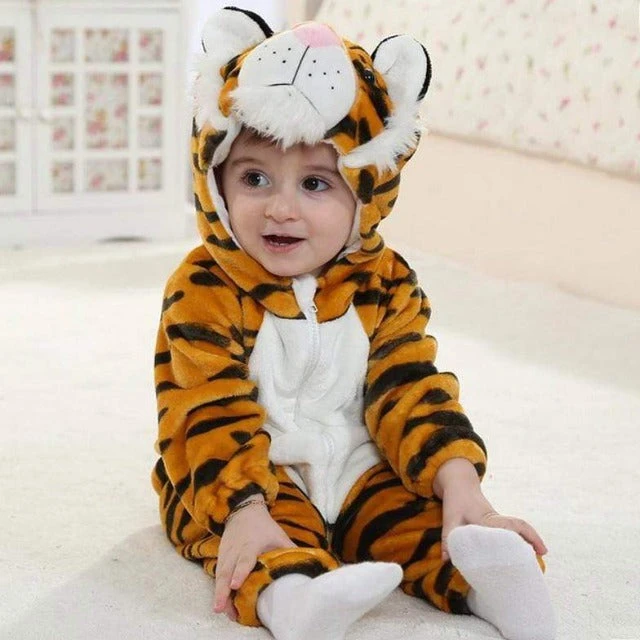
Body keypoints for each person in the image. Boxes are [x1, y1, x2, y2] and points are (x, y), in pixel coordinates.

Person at [151, 7, 556, 640]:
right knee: (258, 541)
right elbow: (203, 406)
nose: (281, 208)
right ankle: (295, 598)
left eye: (316, 184)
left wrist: (458, 480)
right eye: (254, 178)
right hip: (248, 473)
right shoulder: (204, 285)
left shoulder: (384, 280)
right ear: (214, 178)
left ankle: (489, 583)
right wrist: (244, 506)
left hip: (359, 464)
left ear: (367, 192)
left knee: (420, 520)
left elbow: (410, 384)